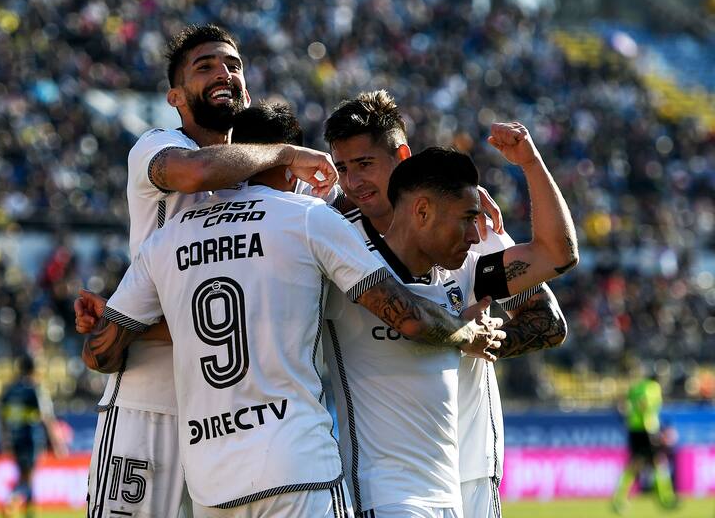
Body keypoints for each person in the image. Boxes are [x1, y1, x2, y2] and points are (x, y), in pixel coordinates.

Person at [79, 103, 501, 518]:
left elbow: (100, 354)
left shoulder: (168, 238)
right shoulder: (306, 218)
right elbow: (405, 315)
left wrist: (128, 321)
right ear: (288, 164)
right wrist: (465, 333)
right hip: (297, 467)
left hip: (212, 481)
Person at [76, 23, 340, 518]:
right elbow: (197, 171)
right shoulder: (156, 145)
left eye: (233, 66)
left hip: (231, 424)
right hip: (150, 405)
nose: (224, 73)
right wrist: (287, 151)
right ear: (175, 96)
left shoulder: (265, 183)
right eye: (205, 67)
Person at [323, 91, 573, 518]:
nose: (354, 181)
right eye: (343, 168)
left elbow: (548, 315)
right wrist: (457, 334)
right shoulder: (333, 239)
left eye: (365, 164)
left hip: (471, 463)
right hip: (387, 481)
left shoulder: (467, 235)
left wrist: (479, 338)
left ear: (402, 157)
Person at [0, 353, 66, 518]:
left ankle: (29, 513)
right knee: (28, 478)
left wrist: (5, 441)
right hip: (31, 438)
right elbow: (47, 418)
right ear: (34, 369)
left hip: (15, 439)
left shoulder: (10, 390)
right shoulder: (35, 389)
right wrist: (57, 444)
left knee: (25, 476)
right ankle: (12, 499)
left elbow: (2, 418)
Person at [611, 372, 678, 514]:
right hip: (647, 429)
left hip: (633, 429)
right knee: (659, 461)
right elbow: (645, 405)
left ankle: (619, 499)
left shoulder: (636, 387)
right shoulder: (652, 387)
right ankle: (666, 498)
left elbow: (624, 404)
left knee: (635, 464)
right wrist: (652, 429)